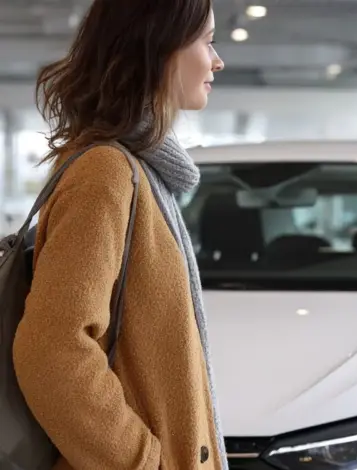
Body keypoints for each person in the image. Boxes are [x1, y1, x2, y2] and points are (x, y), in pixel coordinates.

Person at [11, 0, 227, 468]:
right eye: (207, 41)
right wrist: (145, 462)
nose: (217, 60)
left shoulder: (142, 174)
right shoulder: (107, 174)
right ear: (160, 46)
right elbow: (52, 351)